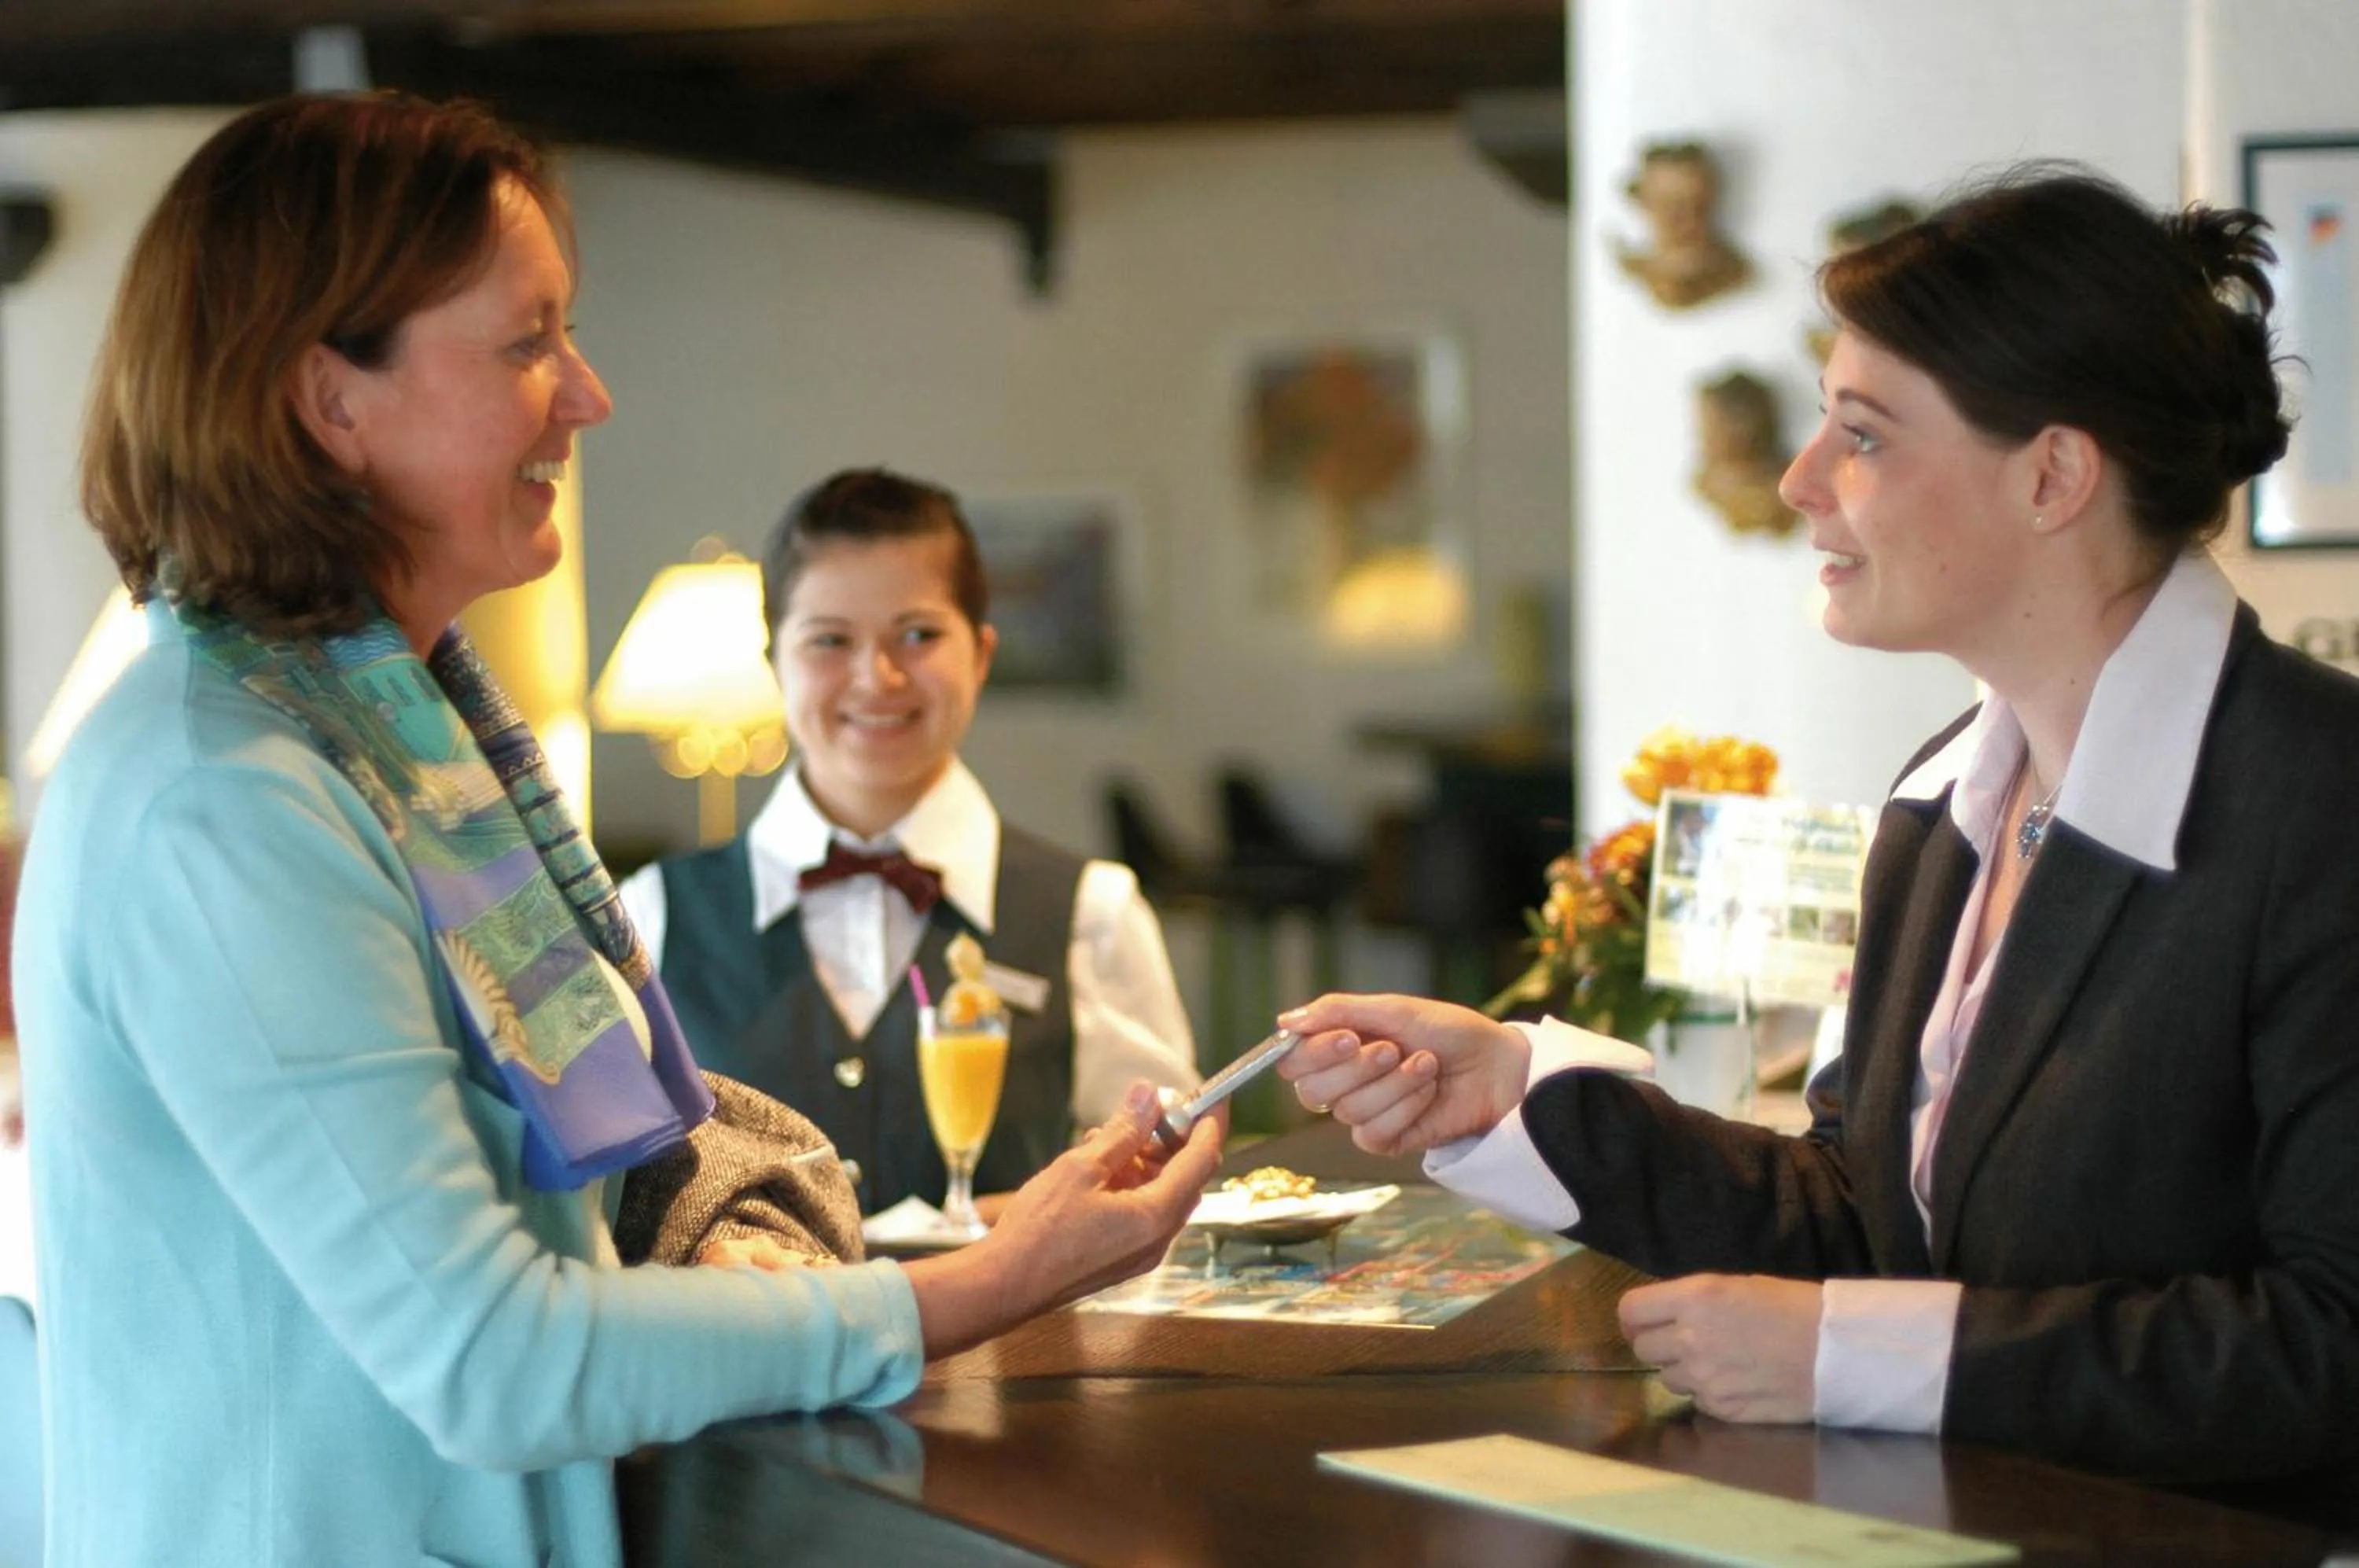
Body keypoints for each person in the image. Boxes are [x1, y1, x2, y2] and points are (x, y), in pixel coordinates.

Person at [13, 92, 1222, 1568]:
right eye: (527, 342)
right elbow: (494, 1355)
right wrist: (968, 1286)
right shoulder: (228, 798)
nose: (588, 394)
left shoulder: (389, 736)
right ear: (332, 400)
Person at [1277, 166, 2359, 1485]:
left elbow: (2332, 1351)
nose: (1799, 481)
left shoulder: (2325, 806)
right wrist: (1512, 1094)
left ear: (2055, 474)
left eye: (1863, 433)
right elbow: (1862, 1216)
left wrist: (1858, 1353)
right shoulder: (1941, 798)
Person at [620, 468, 1199, 1217]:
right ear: (774, 663)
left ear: (982, 654)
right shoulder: (652, 916)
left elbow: (1159, 1183)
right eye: (830, 640)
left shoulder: (1092, 912)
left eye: (919, 635)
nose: (877, 676)